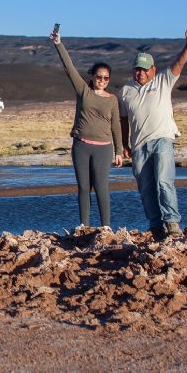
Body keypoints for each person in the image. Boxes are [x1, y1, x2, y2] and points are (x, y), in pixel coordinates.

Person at [119, 23, 187, 239]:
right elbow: (123, 119)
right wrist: (124, 144)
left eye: (145, 69)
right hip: (139, 146)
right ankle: (155, 227)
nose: (141, 73)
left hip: (162, 139)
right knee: (146, 188)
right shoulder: (126, 91)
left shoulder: (163, 80)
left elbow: (179, 65)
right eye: (138, 69)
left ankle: (172, 223)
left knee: (163, 182)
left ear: (153, 70)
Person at [50, 28, 123, 228]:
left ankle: (106, 227)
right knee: (83, 187)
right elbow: (69, 68)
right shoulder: (84, 91)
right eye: (99, 76)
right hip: (82, 146)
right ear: (92, 76)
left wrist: (119, 151)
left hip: (104, 148)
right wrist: (58, 44)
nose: (102, 80)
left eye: (106, 78)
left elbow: (116, 125)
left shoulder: (112, 100)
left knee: (101, 187)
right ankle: (84, 227)